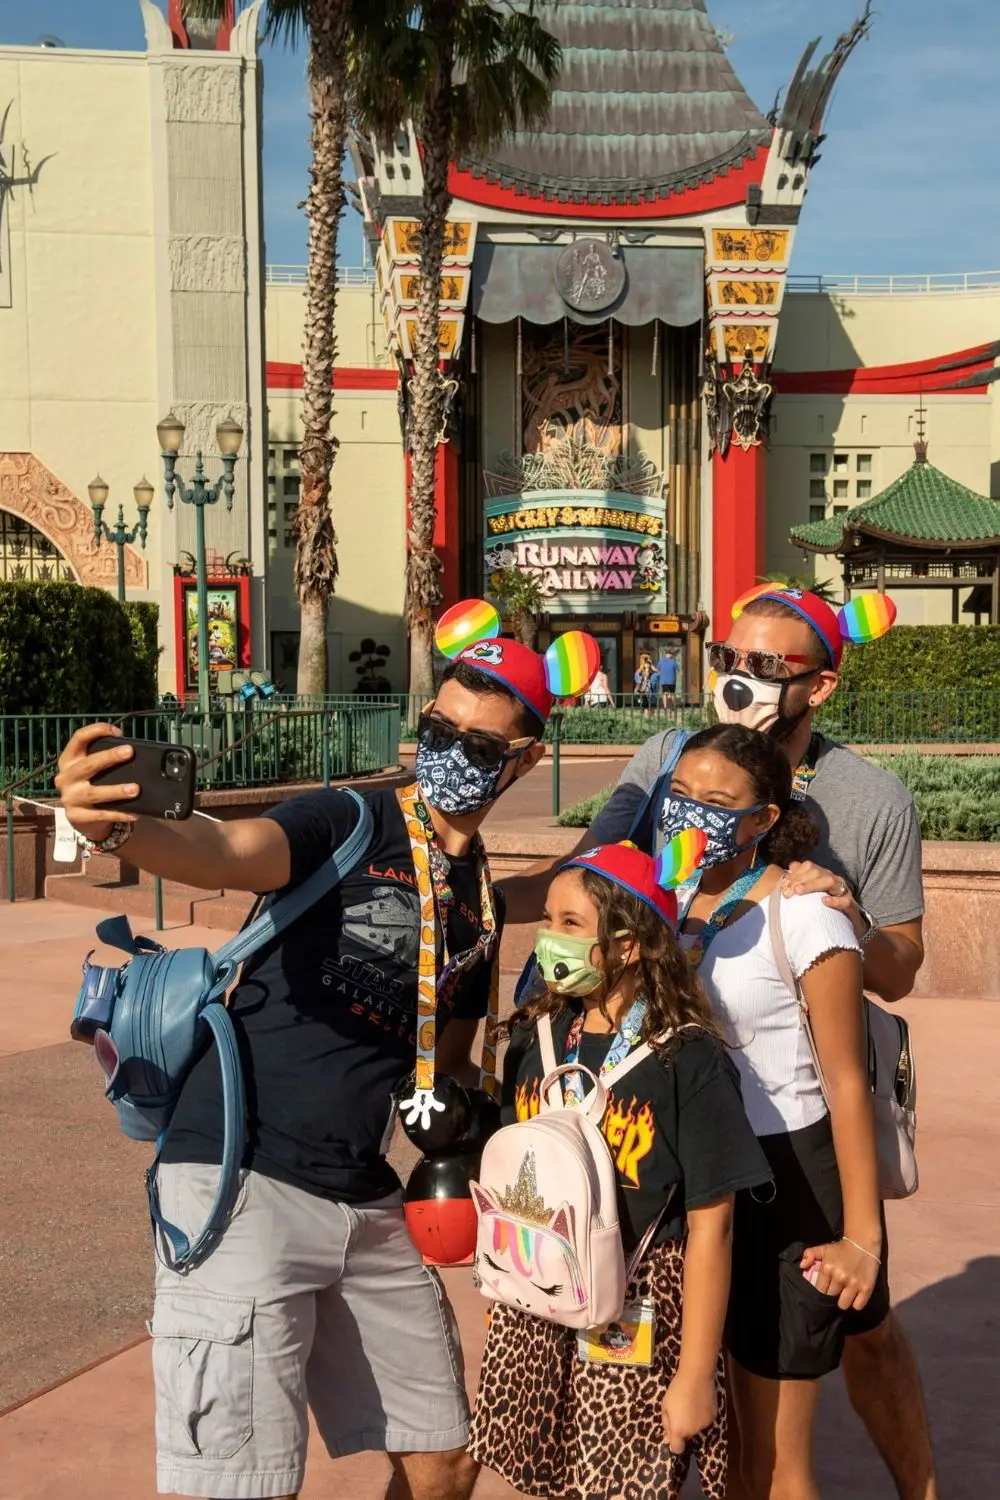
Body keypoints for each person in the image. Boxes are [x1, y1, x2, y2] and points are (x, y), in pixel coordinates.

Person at [55, 636, 565, 1500]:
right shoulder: (350, 818)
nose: (450, 756)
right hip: (240, 1175)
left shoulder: (476, 897)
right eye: (438, 730)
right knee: (244, 1484)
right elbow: (225, 850)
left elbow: (443, 1072)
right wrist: (120, 827)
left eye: (478, 748)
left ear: (524, 762)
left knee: (443, 1459)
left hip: (359, 1191)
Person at [500, 587, 936, 1500]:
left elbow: (890, 979)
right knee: (714, 1415)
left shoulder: (864, 806)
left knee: (855, 1350)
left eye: (767, 668)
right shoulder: (666, 755)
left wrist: (842, 916)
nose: (740, 680)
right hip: (683, 1155)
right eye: (730, 661)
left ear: (819, 685)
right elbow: (600, 881)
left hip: (793, 1152)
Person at [469, 842, 772, 1500]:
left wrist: (695, 1373)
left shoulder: (687, 1059)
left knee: (622, 1484)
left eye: (571, 925)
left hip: (640, 1304)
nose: (550, 939)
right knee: (546, 1474)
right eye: (547, 920)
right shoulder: (533, 1040)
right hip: (538, 1293)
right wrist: (503, 1291)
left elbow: (713, 1227)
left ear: (630, 945)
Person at [663, 724, 885, 1498]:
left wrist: (862, 1235)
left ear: (762, 820)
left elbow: (846, 1082)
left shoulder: (807, 913)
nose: (690, 814)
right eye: (681, 794)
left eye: (718, 802)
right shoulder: (665, 899)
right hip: (693, 1188)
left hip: (785, 1182)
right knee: (721, 1446)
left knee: (773, 1460)